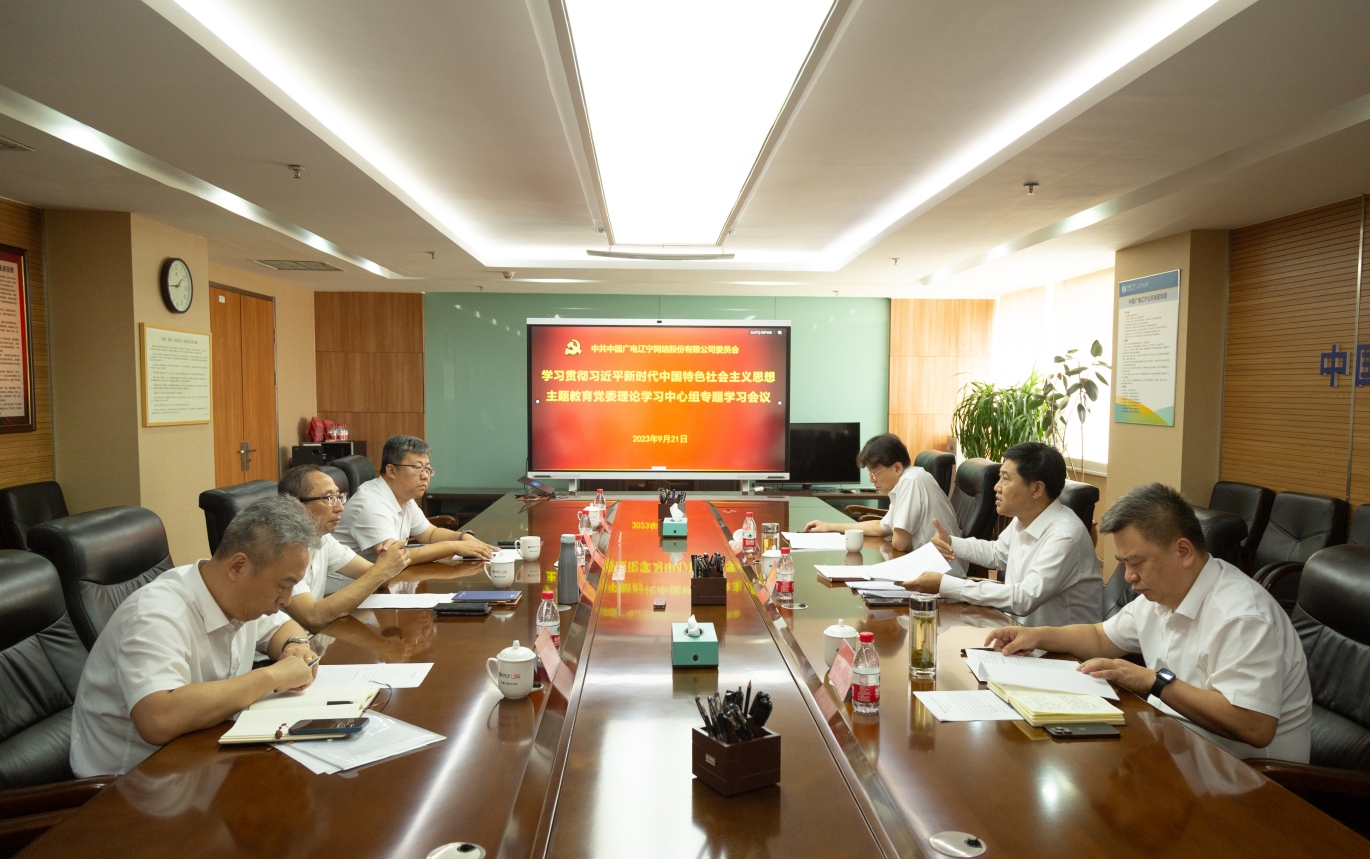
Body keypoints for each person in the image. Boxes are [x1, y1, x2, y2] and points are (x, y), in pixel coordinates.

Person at [986, 483, 1312, 763]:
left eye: (1136, 563)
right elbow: (1100, 637)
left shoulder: (1242, 617)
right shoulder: (1163, 595)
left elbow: (1254, 725)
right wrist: (1036, 635)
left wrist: (1152, 681)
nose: (1129, 577)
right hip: (1176, 748)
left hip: (1243, 779)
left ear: (1183, 551)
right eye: (1123, 564)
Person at [70, 496, 322, 777]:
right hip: (129, 782)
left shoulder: (239, 596)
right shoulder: (157, 614)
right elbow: (158, 718)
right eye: (283, 585)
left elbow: (282, 628)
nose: (286, 599)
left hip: (201, 758)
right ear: (238, 567)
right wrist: (273, 676)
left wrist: (296, 645)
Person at [902, 441, 1101, 626]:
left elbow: (1024, 598)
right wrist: (951, 542)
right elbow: (997, 553)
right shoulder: (1025, 517)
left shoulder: (1065, 536)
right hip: (1017, 632)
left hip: (1057, 649)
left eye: (1005, 479)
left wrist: (944, 584)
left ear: (1037, 489)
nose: (996, 487)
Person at [803, 433, 966, 575]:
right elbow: (881, 527)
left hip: (943, 572)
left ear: (897, 468)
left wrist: (897, 536)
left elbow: (900, 543)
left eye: (875, 473)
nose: (871, 479)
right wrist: (830, 526)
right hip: (924, 564)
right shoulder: (905, 481)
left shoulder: (910, 482)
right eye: (869, 472)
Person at [277, 464, 412, 632]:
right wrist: (382, 569)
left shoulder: (323, 538)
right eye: (328, 498)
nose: (340, 507)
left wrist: (389, 559)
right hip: (288, 645)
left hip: (318, 638)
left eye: (339, 497)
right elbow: (312, 617)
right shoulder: (279, 549)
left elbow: (381, 580)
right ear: (295, 506)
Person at [335, 435, 494, 564]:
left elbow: (430, 534)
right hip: (350, 591)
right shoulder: (371, 505)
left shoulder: (403, 497)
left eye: (427, 469)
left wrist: (463, 537)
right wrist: (454, 546)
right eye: (417, 468)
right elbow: (395, 557)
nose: (425, 476)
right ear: (391, 471)